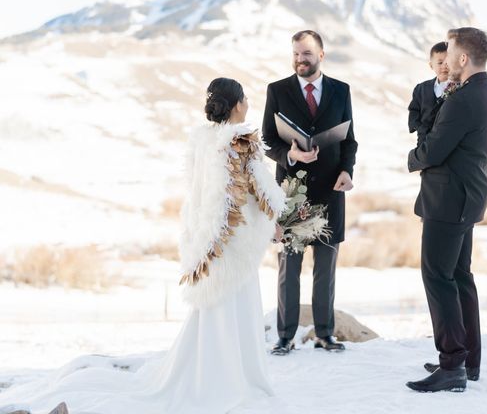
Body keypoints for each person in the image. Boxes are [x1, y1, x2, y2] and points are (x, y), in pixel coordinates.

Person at [0, 78, 287, 414]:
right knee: (239, 310)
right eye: (245, 99)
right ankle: (238, 380)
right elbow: (263, 193)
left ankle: (205, 375)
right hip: (235, 244)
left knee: (212, 313)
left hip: (207, 244)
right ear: (237, 104)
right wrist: (277, 225)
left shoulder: (201, 142)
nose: (248, 105)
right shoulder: (241, 142)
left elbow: (199, 197)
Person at [406, 27, 487, 393]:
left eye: (449, 52)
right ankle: (468, 360)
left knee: (438, 277)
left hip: (448, 200)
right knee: (460, 276)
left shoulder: (462, 100)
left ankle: (451, 366)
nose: (445, 60)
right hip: (468, 197)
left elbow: (432, 151)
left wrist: (411, 158)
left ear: (464, 58)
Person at [261, 30, 358, 355]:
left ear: (321, 55)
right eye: (296, 54)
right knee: (289, 268)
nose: (300, 60)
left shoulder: (341, 91)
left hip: (332, 191)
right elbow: (267, 140)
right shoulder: (277, 90)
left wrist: (347, 171)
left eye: (306, 54)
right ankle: (285, 337)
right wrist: (291, 156)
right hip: (292, 193)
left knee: (326, 269)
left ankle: (325, 334)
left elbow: (349, 141)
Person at [407, 41, 450, 145]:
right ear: (431, 65)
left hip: (447, 142)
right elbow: (414, 110)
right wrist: (420, 128)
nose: (444, 66)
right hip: (423, 141)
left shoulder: (460, 89)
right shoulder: (421, 88)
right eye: (440, 63)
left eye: (448, 62)